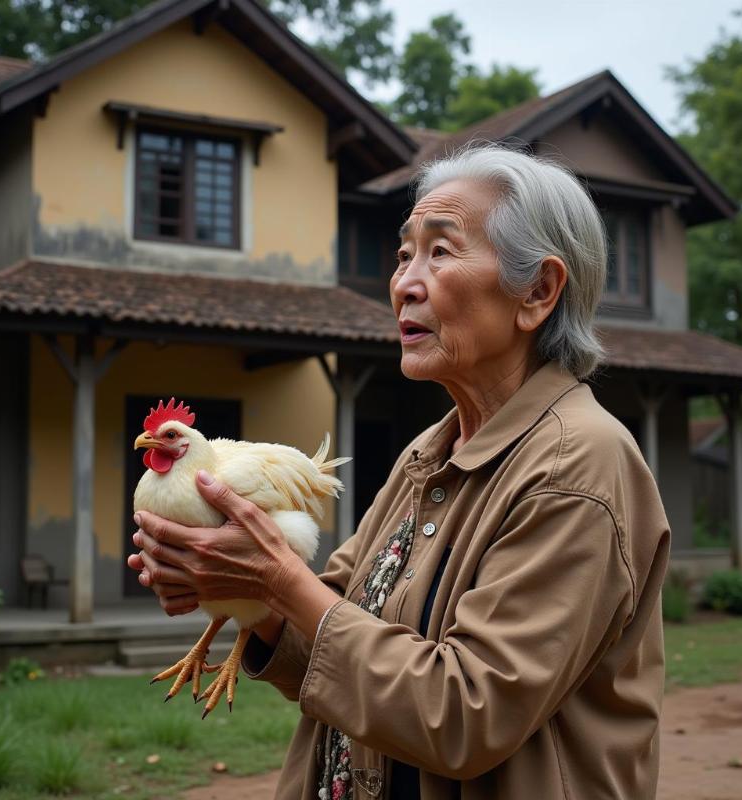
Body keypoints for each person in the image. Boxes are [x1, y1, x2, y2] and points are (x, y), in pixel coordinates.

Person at [128, 144, 670, 800]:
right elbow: (332, 635)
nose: (405, 283)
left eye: (440, 252)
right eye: (404, 254)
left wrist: (275, 578)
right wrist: (240, 588)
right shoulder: (428, 454)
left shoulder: (578, 466)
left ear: (538, 291)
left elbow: (466, 715)